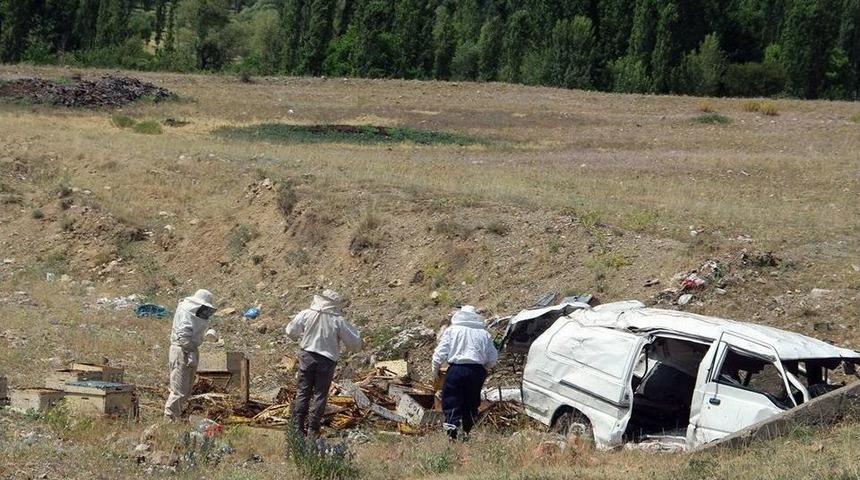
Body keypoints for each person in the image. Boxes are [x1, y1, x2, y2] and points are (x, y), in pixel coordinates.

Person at [286, 289, 362, 440]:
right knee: (320, 395)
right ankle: (313, 430)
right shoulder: (338, 320)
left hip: (307, 357)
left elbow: (290, 331)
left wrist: (298, 337)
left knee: (303, 392)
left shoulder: (307, 314)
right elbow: (354, 344)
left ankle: (297, 429)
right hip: (326, 361)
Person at [432, 305, 498, 441]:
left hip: (456, 369)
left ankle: (452, 435)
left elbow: (439, 353)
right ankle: (467, 432)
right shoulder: (484, 333)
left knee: (452, 399)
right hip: (476, 371)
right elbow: (493, 357)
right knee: (472, 401)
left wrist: (435, 371)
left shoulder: (452, 330)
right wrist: (484, 369)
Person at [164, 289, 217, 420]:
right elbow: (183, 336)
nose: (204, 312)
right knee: (179, 389)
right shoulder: (186, 313)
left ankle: (176, 417)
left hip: (189, 349)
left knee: (186, 390)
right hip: (182, 350)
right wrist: (189, 350)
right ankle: (169, 420)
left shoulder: (194, 314)